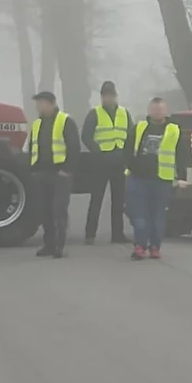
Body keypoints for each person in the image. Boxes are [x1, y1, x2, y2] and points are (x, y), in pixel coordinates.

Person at [123, 97, 181, 260]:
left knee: (158, 216)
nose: (157, 112)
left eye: (160, 109)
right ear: (149, 110)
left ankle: (155, 247)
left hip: (162, 180)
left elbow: (182, 154)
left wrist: (181, 177)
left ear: (165, 111)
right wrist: (130, 166)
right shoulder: (139, 128)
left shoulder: (174, 130)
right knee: (139, 215)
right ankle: (140, 246)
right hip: (138, 178)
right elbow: (127, 149)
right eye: (154, 109)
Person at [28, 91, 80, 258]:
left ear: (50, 103)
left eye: (40, 103)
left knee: (58, 210)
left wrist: (66, 170)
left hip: (60, 174)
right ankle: (48, 244)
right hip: (41, 174)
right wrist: (33, 169)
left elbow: (73, 147)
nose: (38, 107)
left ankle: (60, 245)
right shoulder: (37, 124)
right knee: (44, 211)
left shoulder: (65, 121)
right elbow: (32, 147)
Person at [81, 81, 132, 244]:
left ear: (115, 96)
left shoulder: (124, 113)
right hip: (101, 163)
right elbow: (86, 136)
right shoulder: (94, 113)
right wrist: (97, 151)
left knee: (118, 200)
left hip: (120, 161)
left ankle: (117, 234)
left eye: (110, 95)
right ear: (101, 97)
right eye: (105, 96)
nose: (108, 99)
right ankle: (90, 235)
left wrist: (128, 156)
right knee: (96, 199)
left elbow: (131, 136)